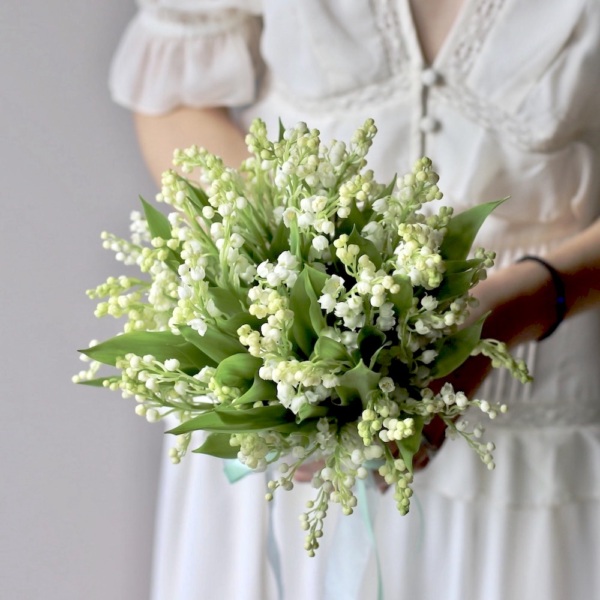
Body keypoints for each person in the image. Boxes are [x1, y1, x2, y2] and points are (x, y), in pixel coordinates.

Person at [109, 1, 600, 598]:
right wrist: (286, 279)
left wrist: (516, 304)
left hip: (538, 425)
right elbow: (175, 99)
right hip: (288, 403)